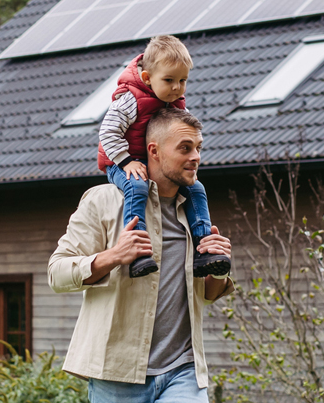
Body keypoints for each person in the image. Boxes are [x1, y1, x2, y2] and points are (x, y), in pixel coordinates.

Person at [50, 107, 234, 403]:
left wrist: (220, 264)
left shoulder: (196, 211)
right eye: (184, 148)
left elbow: (210, 293)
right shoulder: (103, 201)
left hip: (183, 370)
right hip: (118, 373)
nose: (195, 158)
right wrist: (111, 256)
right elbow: (57, 272)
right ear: (153, 151)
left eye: (199, 149)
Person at [97, 35, 229, 279]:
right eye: (169, 80)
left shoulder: (175, 102)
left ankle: (203, 247)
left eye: (183, 80)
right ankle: (138, 250)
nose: (177, 87)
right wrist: (126, 161)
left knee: (196, 189)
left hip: (148, 160)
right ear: (147, 78)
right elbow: (107, 132)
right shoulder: (130, 99)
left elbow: (188, 132)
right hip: (119, 160)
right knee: (137, 187)